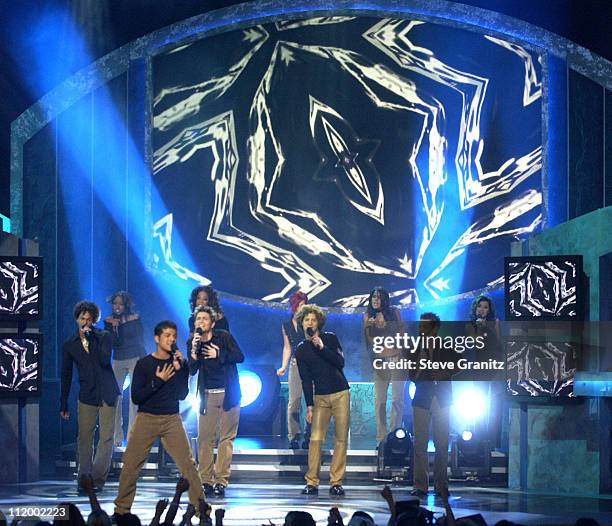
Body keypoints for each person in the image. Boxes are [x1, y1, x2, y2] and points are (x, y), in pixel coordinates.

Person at [114, 321, 203, 516]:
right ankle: (121, 510)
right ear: (157, 339)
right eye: (167, 335)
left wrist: (182, 371)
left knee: (187, 463)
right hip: (147, 418)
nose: (172, 339)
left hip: (171, 419)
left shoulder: (179, 364)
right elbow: (136, 397)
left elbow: (181, 395)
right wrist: (158, 381)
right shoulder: (144, 364)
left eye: (174, 336)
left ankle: (200, 507)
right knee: (131, 464)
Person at [60, 300, 120, 492]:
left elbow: (103, 360)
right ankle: (84, 480)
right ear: (77, 319)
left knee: (106, 438)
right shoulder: (70, 344)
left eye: (89, 318)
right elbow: (66, 374)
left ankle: (97, 480)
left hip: (107, 392)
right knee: (84, 438)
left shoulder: (104, 337)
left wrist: (90, 341)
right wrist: (63, 403)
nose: (85, 322)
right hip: (86, 394)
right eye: (82, 318)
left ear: (94, 320)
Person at [189, 305, 244, 497]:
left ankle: (221, 480)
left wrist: (219, 354)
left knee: (226, 438)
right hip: (207, 395)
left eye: (204, 319)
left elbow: (239, 356)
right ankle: (205, 480)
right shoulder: (193, 342)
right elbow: (192, 369)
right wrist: (194, 352)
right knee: (205, 439)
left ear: (212, 323)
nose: (201, 322)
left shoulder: (224, 337)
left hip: (228, 393)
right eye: (198, 319)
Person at [295, 304, 350, 496]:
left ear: (319, 322)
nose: (310, 323)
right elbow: (305, 379)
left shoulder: (330, 338)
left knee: (341, 438)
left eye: (313, 319)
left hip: (340, 392)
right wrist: (309, 405)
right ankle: (312, 481)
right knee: (316, 439)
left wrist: (322, 347)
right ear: (302, 324)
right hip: (320, 397)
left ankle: (336, 482)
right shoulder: (301, 350)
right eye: (306, 320)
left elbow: (340, 362)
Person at [410, 312, 452, 500]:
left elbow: (460, 363)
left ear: (435, 328)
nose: (421, 329)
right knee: (420, 443)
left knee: (442, 444)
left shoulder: (447, 345)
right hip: (422, 398)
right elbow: (411, 374)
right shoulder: (414, 346)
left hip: (442, 398)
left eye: (425, 326)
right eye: (420, 326)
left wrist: (444, 372)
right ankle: (420, 485)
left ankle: (441, 484)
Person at [363, 287, 406, 445]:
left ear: (385, 299)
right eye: (373, 297)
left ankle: (395, 435)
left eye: (379, 297)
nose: (376, 300)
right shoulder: (367, 316)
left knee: (397, 399)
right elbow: (369, 341)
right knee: (379, 401)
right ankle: (381, 438)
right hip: (380, 362)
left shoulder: (394, 312)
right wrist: (372, 326)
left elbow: (402, 334)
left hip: (397, 360)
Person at [103, 291, 146, 446]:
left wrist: (144, 361)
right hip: (117, 359)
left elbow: (140, 339)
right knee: (115, 397)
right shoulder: (108, 321)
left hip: (134, 357)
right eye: (115, 303)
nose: (117, 306)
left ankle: (132, 436)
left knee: (134, 398)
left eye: (120, 303)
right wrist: (114, 328)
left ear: (126, 305)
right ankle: (116, 437)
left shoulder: (135, 319)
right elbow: (112, 343)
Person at [276, 291, 311, 449]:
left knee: (311, 402)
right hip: (295, 365)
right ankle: (294, 435)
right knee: (294, 401)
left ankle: (309, 434)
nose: (301, 309)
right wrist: (283, 366)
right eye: (299, 305)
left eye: (304, 305)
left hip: (311, 365)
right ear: (294, 306)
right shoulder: (286, 324)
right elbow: (287, 347)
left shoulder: (310, 322)